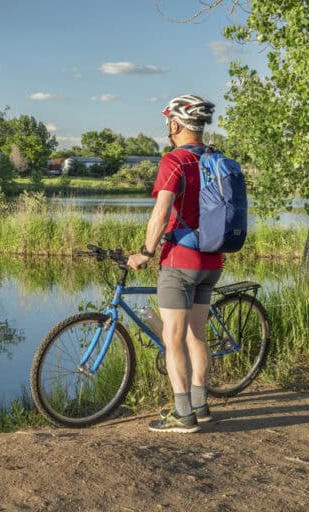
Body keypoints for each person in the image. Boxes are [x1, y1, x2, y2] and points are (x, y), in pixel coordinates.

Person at [127, 94, 222, 433]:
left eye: (169, 121)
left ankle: (183, 414)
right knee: (198, 335)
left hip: (181, 260)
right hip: (213, 260)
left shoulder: (174, 161)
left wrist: (146, 251)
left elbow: (162, 211)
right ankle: (201, 405)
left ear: (175, 124)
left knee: (174, 337)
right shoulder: (216, 158)